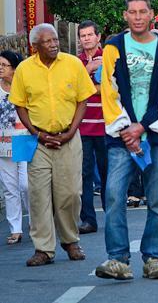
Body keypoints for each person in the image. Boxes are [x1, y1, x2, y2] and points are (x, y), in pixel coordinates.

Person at [96, 0, 158, 280]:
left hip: (154, 136)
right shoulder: (113, 47)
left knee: (156, 199)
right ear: (125, 15)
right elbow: (109, 89)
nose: (138, 17)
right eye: (132, 12)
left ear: (151, 14)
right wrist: (126, 129)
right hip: (121, 137)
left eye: (143, 12)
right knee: (114, 195)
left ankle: (153, 257)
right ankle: (118, 258)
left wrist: (142, 126)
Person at [9, 24, 95, 267]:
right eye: (47, 42)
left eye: (55, 40)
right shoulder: (25, 69)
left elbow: (83, 101)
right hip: (38, 141)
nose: (54, 44)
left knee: (70, 193)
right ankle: (44, 249)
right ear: (35, 47)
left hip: (68, 137)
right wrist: (37, 133)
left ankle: (70, 240)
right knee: (38, 196)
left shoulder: (72, 64)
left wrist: (70, 132)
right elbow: (20, 105)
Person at [76, 20, 107, 235]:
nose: (86, 39)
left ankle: (111, 213)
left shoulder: (109, 59)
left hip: (106, 126)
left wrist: (91, 87)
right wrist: (88, 70)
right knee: (84, 175)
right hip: (83, 127)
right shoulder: (75, 63)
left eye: (89, 35)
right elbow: (73, 91)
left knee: (108, 174)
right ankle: (88, 219)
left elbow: (111, 88)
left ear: (98, 37)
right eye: (83, 35)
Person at [0, 50, 30, 246]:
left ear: (14, 67)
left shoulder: (24, 85)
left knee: (26, 185)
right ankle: (15, 229)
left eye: (4, 65)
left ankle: (37, 224)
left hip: (23, 139)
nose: (1, 68)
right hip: (3, 142)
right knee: (10, 189)